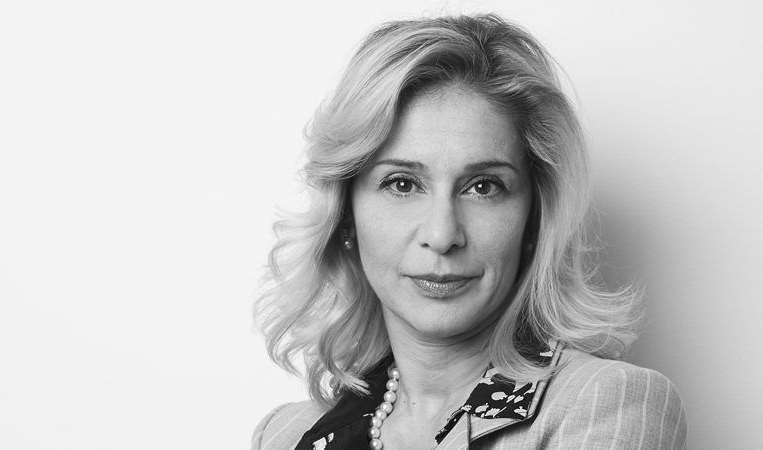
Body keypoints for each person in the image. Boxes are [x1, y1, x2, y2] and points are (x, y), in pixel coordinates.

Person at [252, 14, 687, 450]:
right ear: (346, 215)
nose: (442, 236)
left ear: (536, 218)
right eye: (402, 184)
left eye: (483, 187)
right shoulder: (285, 435)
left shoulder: (605, 402)